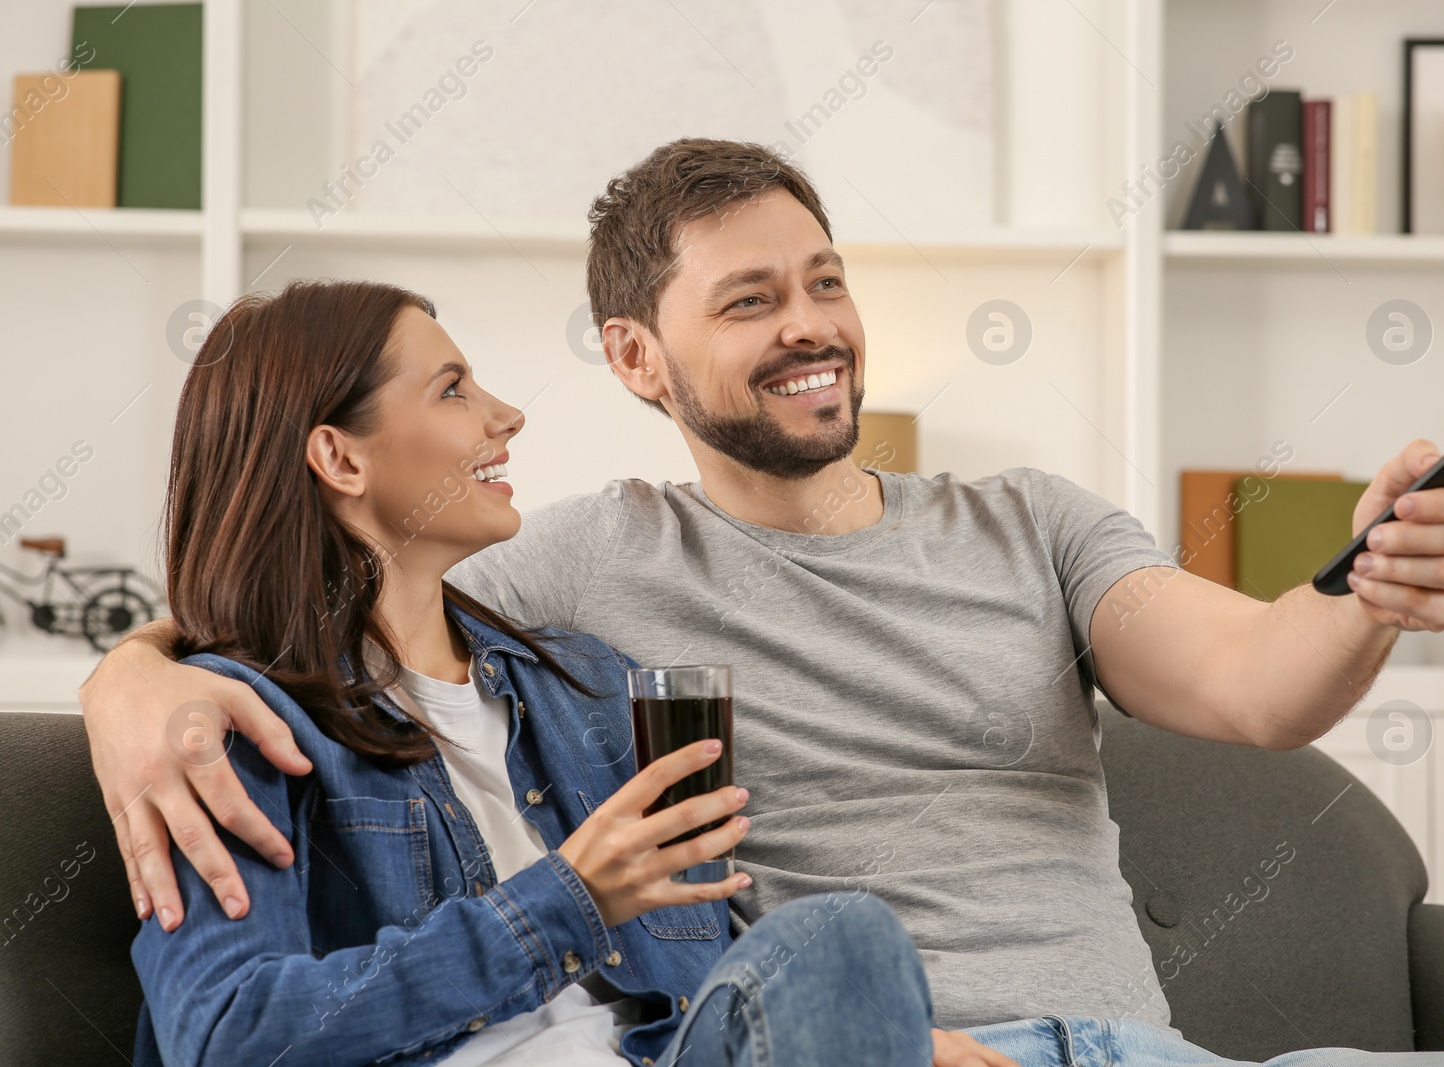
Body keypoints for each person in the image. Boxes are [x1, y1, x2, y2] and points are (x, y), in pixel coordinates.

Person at [86, 142, 1444, 1065]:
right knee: (844, 944)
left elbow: (1261, 682)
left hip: (1141, 1049)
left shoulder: (1036, 521)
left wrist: (1368, 588)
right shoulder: (576, 575)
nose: (811, 325)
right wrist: (136, 678)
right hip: (865, 1033)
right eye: (750, 300)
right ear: (637, 358)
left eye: (824, 280)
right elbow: (315, 614)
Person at [126, 278, 1009, 1067]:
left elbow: (709, 969)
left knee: (839, 938)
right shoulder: (230, 725)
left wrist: (862, 1026)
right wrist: (566, 898)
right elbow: (226, 1033)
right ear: (342, 458)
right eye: (453, 390)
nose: (506, 416)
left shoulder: (585, 685)